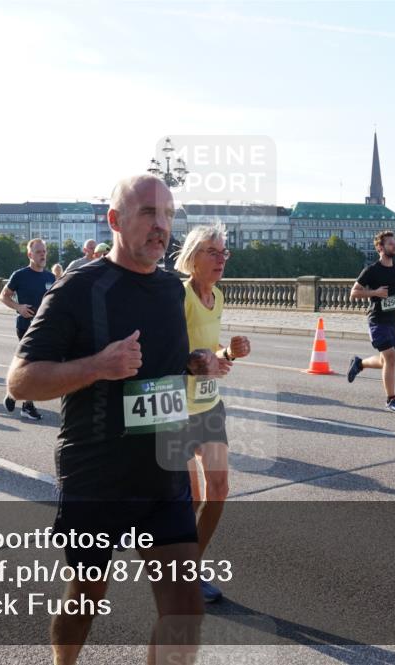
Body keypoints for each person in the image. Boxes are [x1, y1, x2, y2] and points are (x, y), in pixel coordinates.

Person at [7, 174, 221, 665]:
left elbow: (164, 361)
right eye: (148, 213)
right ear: (115, 221)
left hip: (163, 472)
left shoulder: (170, 290)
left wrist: (194, 363)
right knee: (86, 598)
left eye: (168, 215)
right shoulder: (79, 287)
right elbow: (19, 381)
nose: (161, 225)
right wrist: (98, 366)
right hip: (97, 472)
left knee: (185, 609)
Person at [175, 224, 251, 603]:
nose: (221, 259)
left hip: (209, 406)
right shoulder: (179, 296)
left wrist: (229, 352)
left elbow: (209, 352)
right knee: (191, 496)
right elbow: (164, 351)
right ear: (193, 257)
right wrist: (194, 363)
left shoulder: (217, 296)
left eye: (224, 253)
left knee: (219, 490)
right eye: (213, 252)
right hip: (177, 410)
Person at [346, 230, 395, 414]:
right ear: (380, 247)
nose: (394, 246)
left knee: (387, 361)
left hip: (393, 321)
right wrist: (374, 292)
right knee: (391, 359)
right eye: (390, 243)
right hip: (377, 321)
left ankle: (359, 364)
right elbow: (354, 292)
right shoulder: (371, 270)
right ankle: (391, 400)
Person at [0, 238, 55, 420]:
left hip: (44, 328)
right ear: (30, 254)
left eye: (44, 251)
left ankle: (14, 394)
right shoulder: (20, 275)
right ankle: (26, 405)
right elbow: (3, 296)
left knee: (31, 366)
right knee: (32, 365)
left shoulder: (50, 277)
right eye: (38, 252)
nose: (42, 255)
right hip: (25, 326)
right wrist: (19, 307)